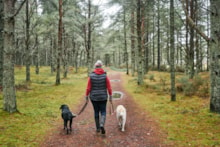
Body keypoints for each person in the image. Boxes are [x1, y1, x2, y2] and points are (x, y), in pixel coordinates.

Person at [85, 60, 112, 135]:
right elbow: (109, 87)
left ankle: (97, 128)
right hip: (103, 97)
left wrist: (86, 96)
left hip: (94, 97)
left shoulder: (91, 75)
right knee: (103, 111)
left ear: (95, 67)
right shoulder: (104, 75)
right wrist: (110, 96)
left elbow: (88, 88)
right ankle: (102, 124)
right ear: (101, 67)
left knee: (96, 111)